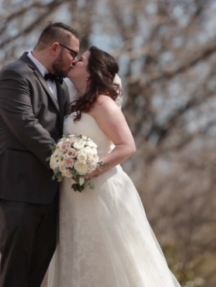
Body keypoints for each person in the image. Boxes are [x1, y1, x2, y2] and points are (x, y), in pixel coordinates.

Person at [47, 46, 181, 287]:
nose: (75, 60)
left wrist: (89, 170)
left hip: (102, 190)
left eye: (82, 59)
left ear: (92, 71)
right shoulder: (75, 105)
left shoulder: (103, 103)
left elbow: (126, 146)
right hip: (74, 194)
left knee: (112, 256)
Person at [0, 22, 80, 287]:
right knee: (17, 272)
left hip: (50, 191)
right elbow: (26, 125)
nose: (75, 60)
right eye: (73, 53)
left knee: (36, 273)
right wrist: (67, 162)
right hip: (16, 188)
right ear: (55, 47)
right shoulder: (14, 74)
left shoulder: (63, 86)